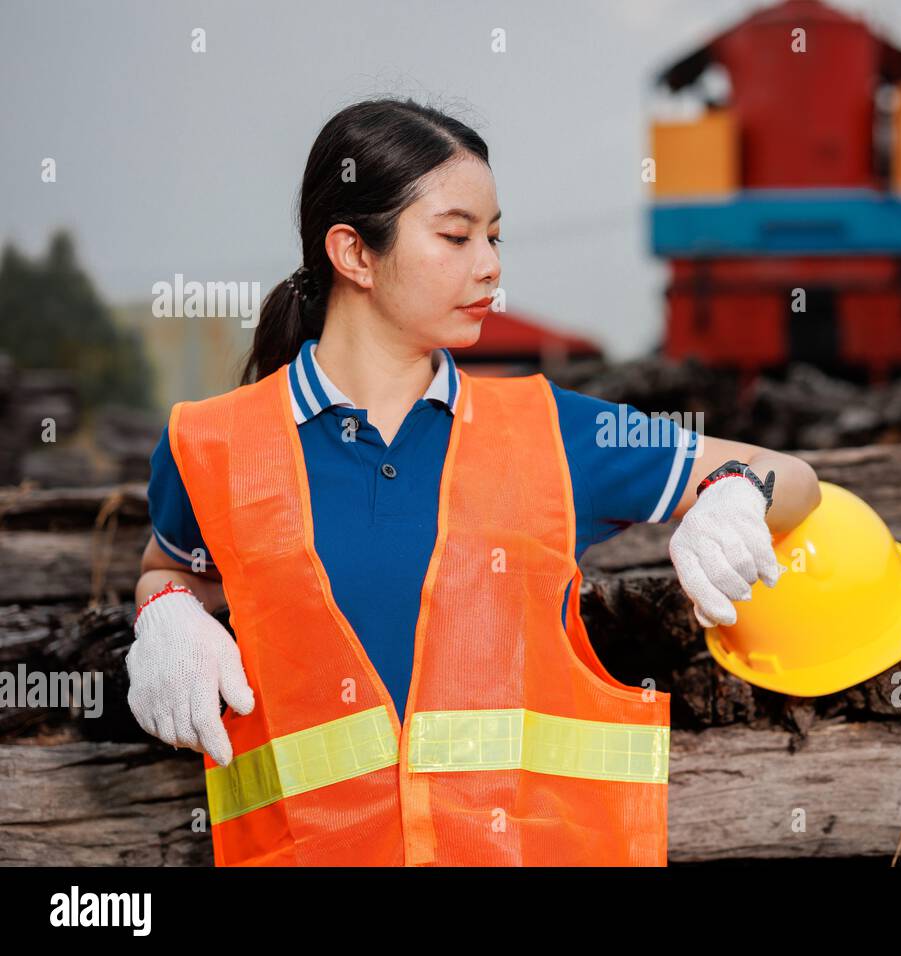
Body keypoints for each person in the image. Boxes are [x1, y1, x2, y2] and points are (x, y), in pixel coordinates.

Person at [127, 97, 821, 866]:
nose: (490, 266)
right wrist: (163, 614)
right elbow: (174, 570)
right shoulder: (210, 446)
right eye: (456, 236)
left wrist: (732, 491)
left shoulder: (550, 430)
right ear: (354, 253)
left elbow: (788, 475)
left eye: (494, 238)